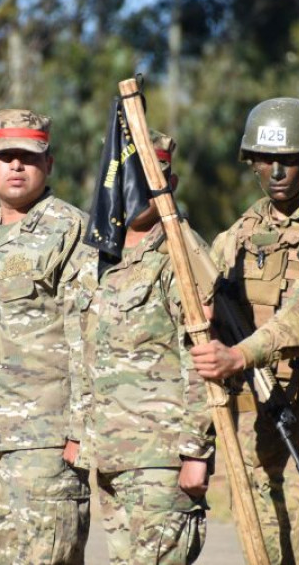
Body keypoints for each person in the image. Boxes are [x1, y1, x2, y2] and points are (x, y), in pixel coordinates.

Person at [189, 98, 299, 563]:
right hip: (254, 423)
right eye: (266, 160)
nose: (277, 171)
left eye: (288, 160)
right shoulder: (241, 231)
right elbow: (203, 297)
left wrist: (243, 354)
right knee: (261, 550)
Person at [0, 109, 92, 564]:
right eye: (5, 155)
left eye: (28, 157)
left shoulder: (73, 231)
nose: (16, 166)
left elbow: (89, 334)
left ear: (48, 164)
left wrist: (79, 432)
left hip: (45, 442)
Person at [85, 131, 213, 564]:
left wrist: (196, 452)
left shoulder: (182, 256)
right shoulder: (104, 257)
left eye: (149, 178)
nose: (136, 190)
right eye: (128, 178)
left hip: (162, 462)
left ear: (169, 184)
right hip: (111, 458)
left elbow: (201, 359)